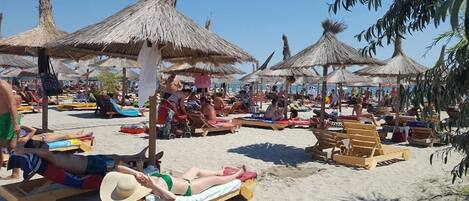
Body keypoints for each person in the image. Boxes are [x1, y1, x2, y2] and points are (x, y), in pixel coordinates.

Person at [0, 80, 20, 179]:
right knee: (11, 146)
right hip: (1, 118)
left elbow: (12, 104)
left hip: (8, 118)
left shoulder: (3, 85)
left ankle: (15, 173)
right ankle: (15, 173)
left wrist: (16, 123)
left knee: (11, 147)